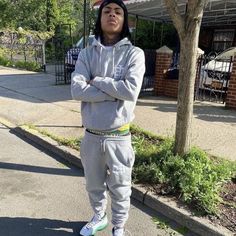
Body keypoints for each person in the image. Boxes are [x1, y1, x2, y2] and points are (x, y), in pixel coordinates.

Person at [71, 0, 145, 235]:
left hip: (119, 137)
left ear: (124, 20)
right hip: (91, 137)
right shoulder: (86, 53)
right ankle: (99, 216)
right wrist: (114, 92)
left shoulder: (134, 54)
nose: (112, 15)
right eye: (107, 11)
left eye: (117, 11)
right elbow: (77, 90)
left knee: (121, 188)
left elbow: (130, 91)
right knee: (93, 185)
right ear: (100, 18)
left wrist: (98, 81)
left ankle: (119, 226)